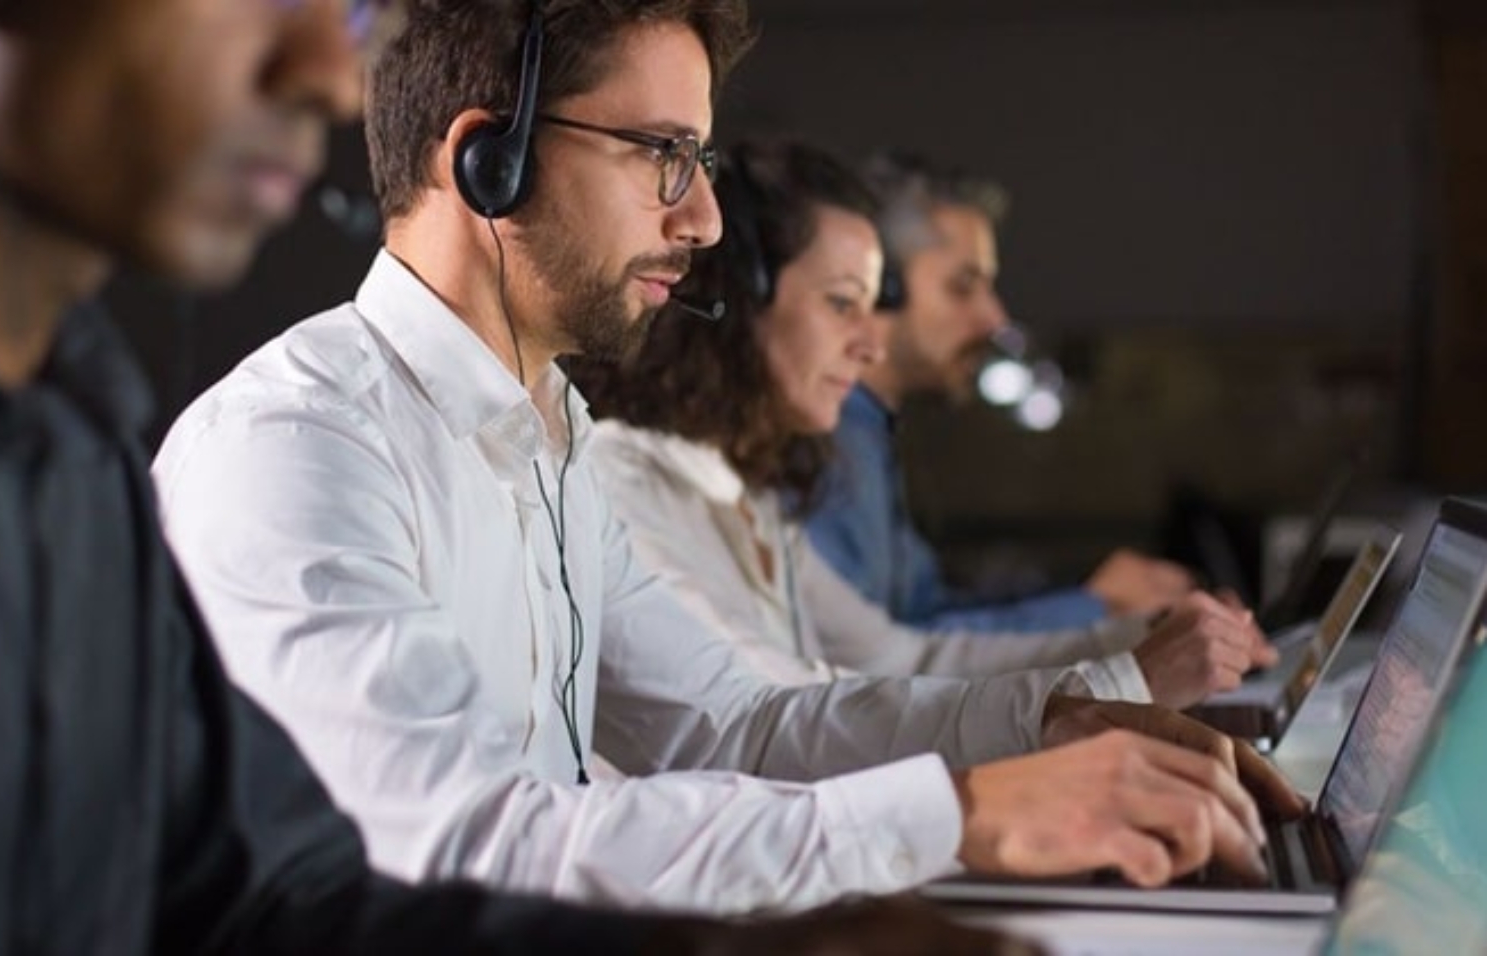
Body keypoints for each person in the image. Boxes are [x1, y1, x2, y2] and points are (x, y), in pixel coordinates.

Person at [0, 0, 1032, 951]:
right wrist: (945, 817)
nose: (330, 76)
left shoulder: (65, 447)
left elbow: (267, 897)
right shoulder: (280, 446)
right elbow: (435, 843)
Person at [153, 0, 1302, 918]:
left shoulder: (551, 434)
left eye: (695, 159)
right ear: (484, 162)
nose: (701, 218)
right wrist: (960, 815)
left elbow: (733, 724)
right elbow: (458, 843)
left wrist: (1058, 723)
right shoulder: (299, 447)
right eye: (662, 154)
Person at [572, 139, 1273, 710]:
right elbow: (769, 719)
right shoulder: (625, 486)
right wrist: (1117, 677)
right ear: (736, 304)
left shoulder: (744, 493)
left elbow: (900, 659)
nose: (871, 344)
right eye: (844, 304)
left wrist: (1129, 643)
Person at [806, 153, 1196, 632]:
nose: (995, 319)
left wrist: (1093, 595)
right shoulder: (821, 437)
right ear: (879, 286)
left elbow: (921, 612)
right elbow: (873, 659)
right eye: (963, 287)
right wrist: (1093, 608)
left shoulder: (868, 434)